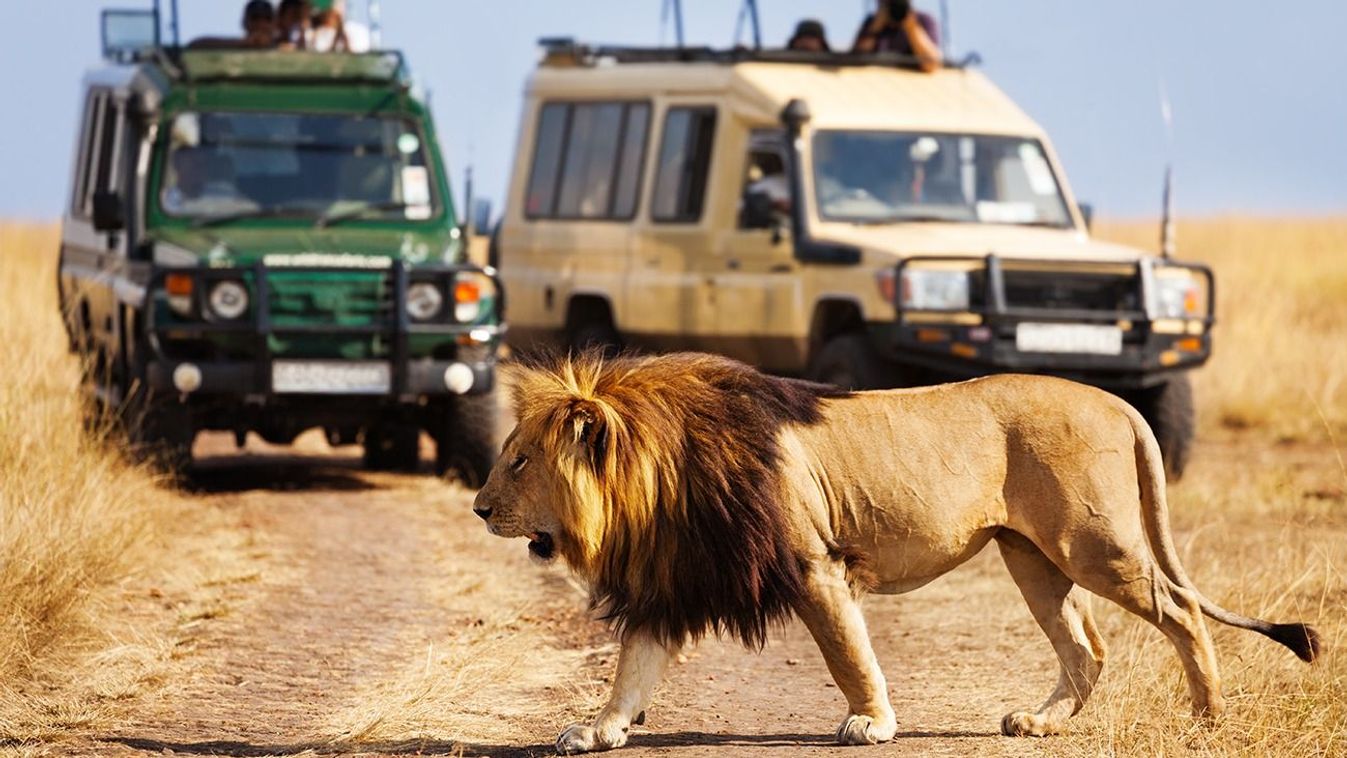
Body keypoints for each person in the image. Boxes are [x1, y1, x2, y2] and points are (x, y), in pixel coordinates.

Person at [852, 0, 942, 72]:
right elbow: (854, 60)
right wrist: (876, 26)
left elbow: (931, 64)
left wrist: (911, 26)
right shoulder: (872, 22)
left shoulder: (923, 21)